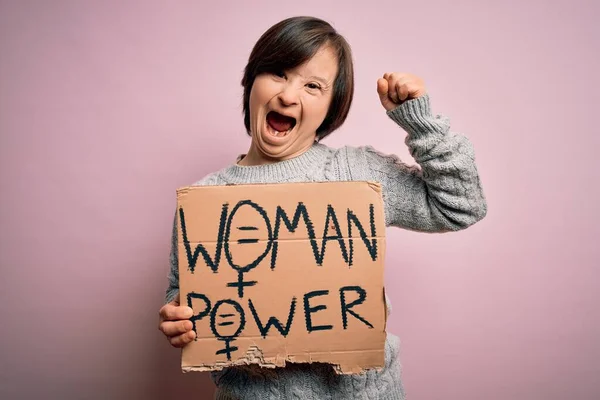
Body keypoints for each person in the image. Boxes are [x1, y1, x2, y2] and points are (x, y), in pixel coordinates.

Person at [158, 16, 487, 399]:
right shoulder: (206, 200)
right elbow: (180, 293)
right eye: (279, 73)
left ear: (331, 109)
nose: (288, 95)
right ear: (251, 82)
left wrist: (421, 124)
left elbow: (461, 207)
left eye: (313, 85)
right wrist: (178, 318)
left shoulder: (358, 172)